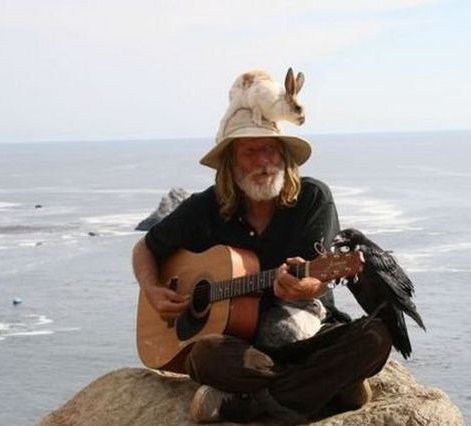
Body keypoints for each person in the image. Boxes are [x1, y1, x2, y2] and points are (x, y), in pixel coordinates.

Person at [132, 76, 392, 423]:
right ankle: (325, 390)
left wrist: (304, 286)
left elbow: (318, 277)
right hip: (241, 347)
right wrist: (152, 289)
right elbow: (146, 248)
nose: (263, 161)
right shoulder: (205, 207)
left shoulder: (313, 198)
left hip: (307, 333)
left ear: (284, 154)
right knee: (206, 355)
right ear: (231, 162)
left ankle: (251, 404)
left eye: (270, 149)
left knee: (375, 337)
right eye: (250, 151)